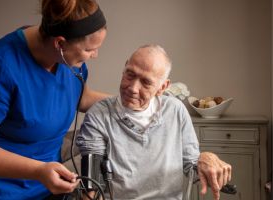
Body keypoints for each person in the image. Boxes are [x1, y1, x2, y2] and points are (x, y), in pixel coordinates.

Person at [0, 0, 109, 199]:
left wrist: (126, 103)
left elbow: (80, 97)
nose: (94, 55)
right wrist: (39, 171)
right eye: (89, 50)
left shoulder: (67, 58)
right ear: (60, 43)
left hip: (51, 184)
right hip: (2, 190)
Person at [76, 44, 232, 200]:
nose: (133, 88)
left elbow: (191, 164)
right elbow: (92, 187)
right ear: (124, 68)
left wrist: (204, 159)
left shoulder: (175, 110)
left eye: (146, 82)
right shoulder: (98, 115)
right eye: (130, 74)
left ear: (162, 87)